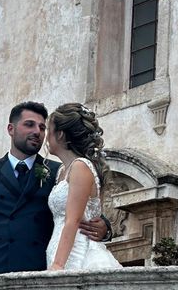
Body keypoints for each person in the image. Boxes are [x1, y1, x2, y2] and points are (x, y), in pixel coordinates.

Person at [0, 101, 109, 289]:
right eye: (29, 124)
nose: (37, 132)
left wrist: (104, 227)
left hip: (40, 272)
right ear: (11, 129)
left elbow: (80, 209)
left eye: (42, 127)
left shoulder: (60, 171)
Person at [46, 103, 121, 270]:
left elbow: (73, 219)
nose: (46, 137)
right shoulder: (62, 171)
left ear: (60, 134)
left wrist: (58, 265)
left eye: (48, 131)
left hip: (77, 254)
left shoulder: (80, 167)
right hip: (61, 250)